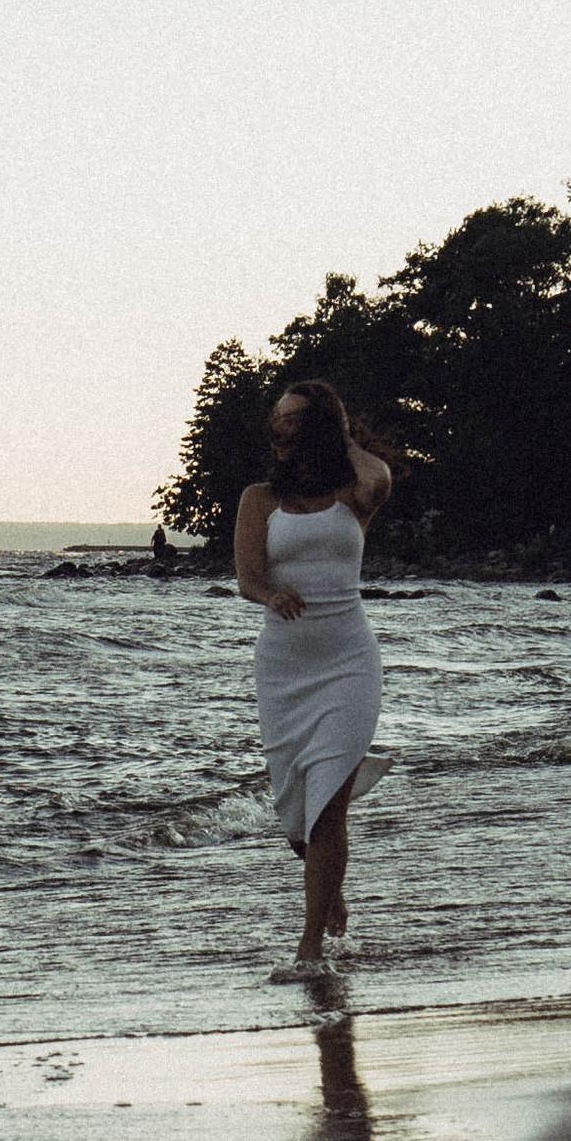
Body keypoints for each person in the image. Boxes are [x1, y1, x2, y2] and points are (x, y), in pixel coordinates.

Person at [232, 376, 392, 970]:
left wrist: (341, 432)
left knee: (328, 806)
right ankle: (332, 892)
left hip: (350, 661)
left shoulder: (354, 495)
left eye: (295, 417)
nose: (280, 426)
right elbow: (248, 578)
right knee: (297, 816)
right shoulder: (259, 499)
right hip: (286, 670)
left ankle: (309, 947)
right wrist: (270, 596)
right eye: (277, 416)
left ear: (321, 428)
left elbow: (379, 478)